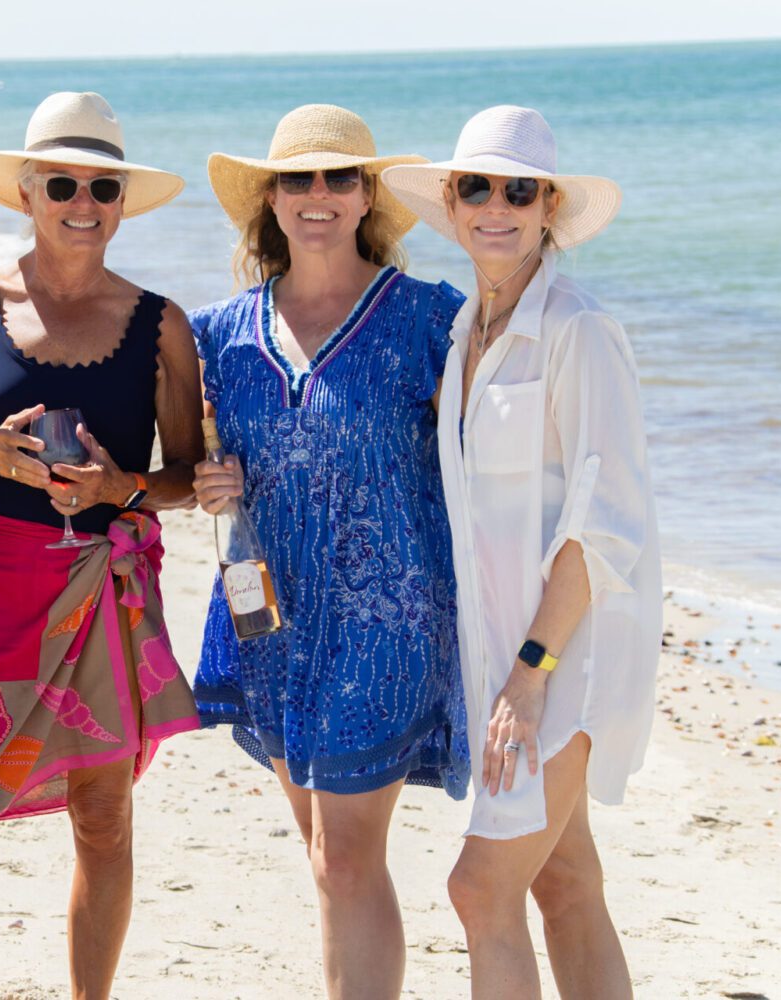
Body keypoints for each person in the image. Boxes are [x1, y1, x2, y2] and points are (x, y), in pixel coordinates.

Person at [0, 91, 204, 1000]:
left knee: (105, 818)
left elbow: (186, 475)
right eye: (64, 183)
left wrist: (118, 489)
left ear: (121, 202)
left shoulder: (164, 326)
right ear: (27, 195)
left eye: (102, 187)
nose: (85, 202)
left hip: (101, 597)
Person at [189, 103, 470, 1000]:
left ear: (366, 196)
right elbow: (183, 459)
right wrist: (206, 480)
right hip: (270, 614)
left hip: (389, 616)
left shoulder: (430, 319)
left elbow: (503, 454)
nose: (318, 195)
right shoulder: (219, 335)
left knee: (347, 859)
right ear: (269, 200)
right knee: (322, 856)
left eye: (338, 177)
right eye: (298, 179)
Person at [382, 105, 661, 998]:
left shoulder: (578, 330)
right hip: (500, 651)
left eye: (518, 190)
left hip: (561, 656)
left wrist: (533, 670)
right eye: (476, 186)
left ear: (548, 209)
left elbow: (603, 520)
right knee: (565, 879)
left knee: (478, 888)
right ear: (453, 205)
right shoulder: (468, 330)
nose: (494, 205)